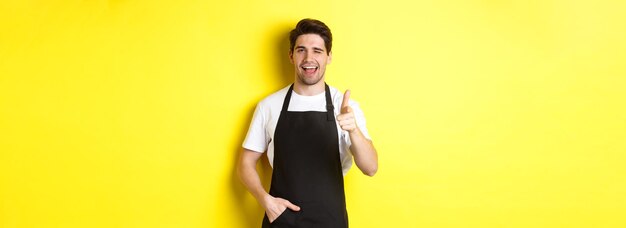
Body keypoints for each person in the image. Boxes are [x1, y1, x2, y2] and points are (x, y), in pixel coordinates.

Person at [237, 18, 378, 228]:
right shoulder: (269, 106)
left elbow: (371, 168)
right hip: (281, 220)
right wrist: (266, 201)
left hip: (330, 220)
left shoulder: (345, 106)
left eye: (317, 51)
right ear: (291, 56)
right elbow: (244, 164)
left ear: (329, 56)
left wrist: (354, 130)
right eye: (301, 50)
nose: (308, 58)